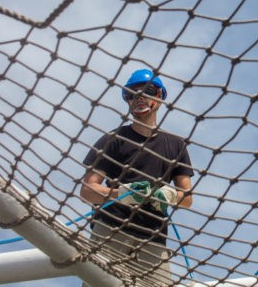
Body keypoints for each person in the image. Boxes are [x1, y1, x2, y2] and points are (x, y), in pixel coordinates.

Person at [80, 68, 194, 286]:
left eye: (147, 91)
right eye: (132, 94)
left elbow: (187, 198)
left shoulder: (176, 145)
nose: (139, 98)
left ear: (159, 96)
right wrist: (121, 193)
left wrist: (169, 195)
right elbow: (87, 191)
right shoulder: (113, 140)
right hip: (110, 232)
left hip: (153, 239)